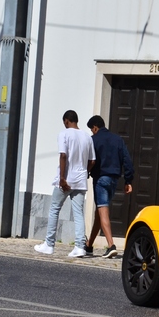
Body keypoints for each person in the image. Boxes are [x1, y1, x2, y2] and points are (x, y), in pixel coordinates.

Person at [34, 110, 96, 257]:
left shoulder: (64, 134)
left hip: (66, 179)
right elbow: (92, 161)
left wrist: (62, 178)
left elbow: (63, 155)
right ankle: (80, 246)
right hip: (81, 180)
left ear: (66, 121)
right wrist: (85, 173)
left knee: (54, 208)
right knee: (78, 213)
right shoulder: (87, 137)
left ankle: (49, 244)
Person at [85, 115, 134, 258]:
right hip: (114, 180)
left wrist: (86, 172)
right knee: (99, 214)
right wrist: (128, 180)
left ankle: (111, 245)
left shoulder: (93, 140)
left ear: (95, 127)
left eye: (91, 130)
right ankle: (89, 245)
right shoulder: (117, 139)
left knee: (103, 211)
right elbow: (127, 161)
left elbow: (90, 160)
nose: (92, 133)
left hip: (101, 179)